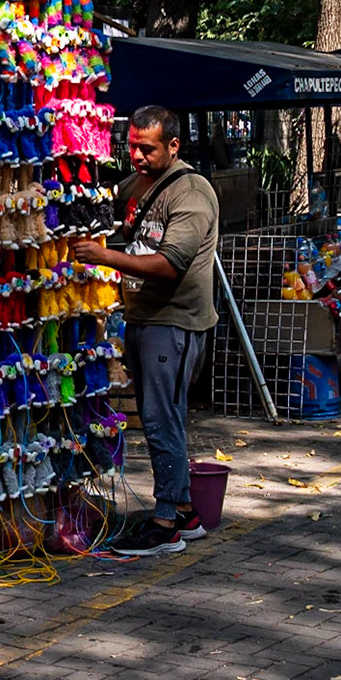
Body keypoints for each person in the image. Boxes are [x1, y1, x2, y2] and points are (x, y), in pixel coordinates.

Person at [70, 104, 219, 557]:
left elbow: (170, 265)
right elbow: (109, 213)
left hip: (173, 322)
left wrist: (106, 258)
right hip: (142, 319)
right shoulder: (137, 184)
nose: (135, 154)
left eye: (146, 148)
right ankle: (186, 513)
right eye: (131, 145)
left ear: (173, 145)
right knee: (161, 415)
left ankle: (165, 524)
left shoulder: (192, 192)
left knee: (160, 419)